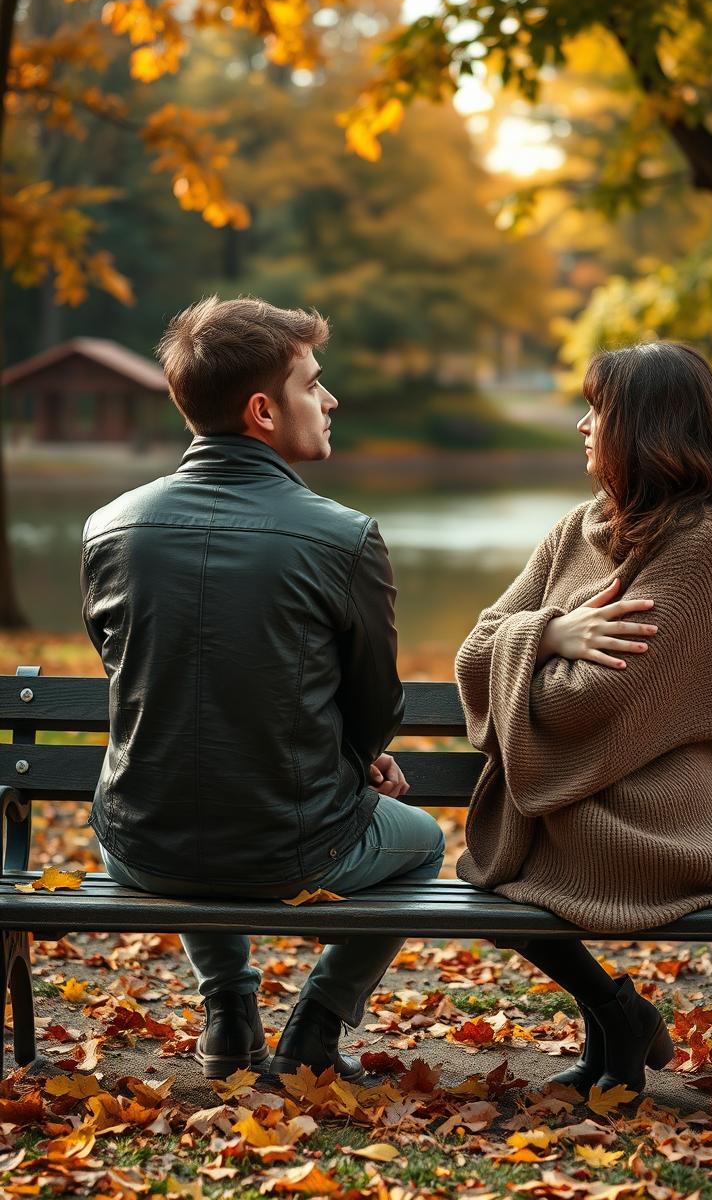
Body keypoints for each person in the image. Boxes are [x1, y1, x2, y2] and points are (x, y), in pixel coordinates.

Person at [80, 295, 444, 1082]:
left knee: (196, 804)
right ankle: (314, 1027)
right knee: (425, 847)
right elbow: (375, 707)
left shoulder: (108, 528)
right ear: (262, 411)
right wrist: (362, 760)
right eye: (313, 383)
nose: (331, 398)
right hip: (292, 848)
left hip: (138, 844)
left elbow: (137, 679)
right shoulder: (344, 537)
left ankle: (228, 1010)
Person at [454, 342, 712, 1096]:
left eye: (598, 410)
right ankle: (617, 1017)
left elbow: (585, 702)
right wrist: (553, 633)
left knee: (506, 886)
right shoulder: (578, 526)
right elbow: (472, 653)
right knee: (492, 885)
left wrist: (527, 639)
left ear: (647, 427)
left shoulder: (707, 541)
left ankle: (615, 1026)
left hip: (663, 812)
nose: (581, 424)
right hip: (572, 794)